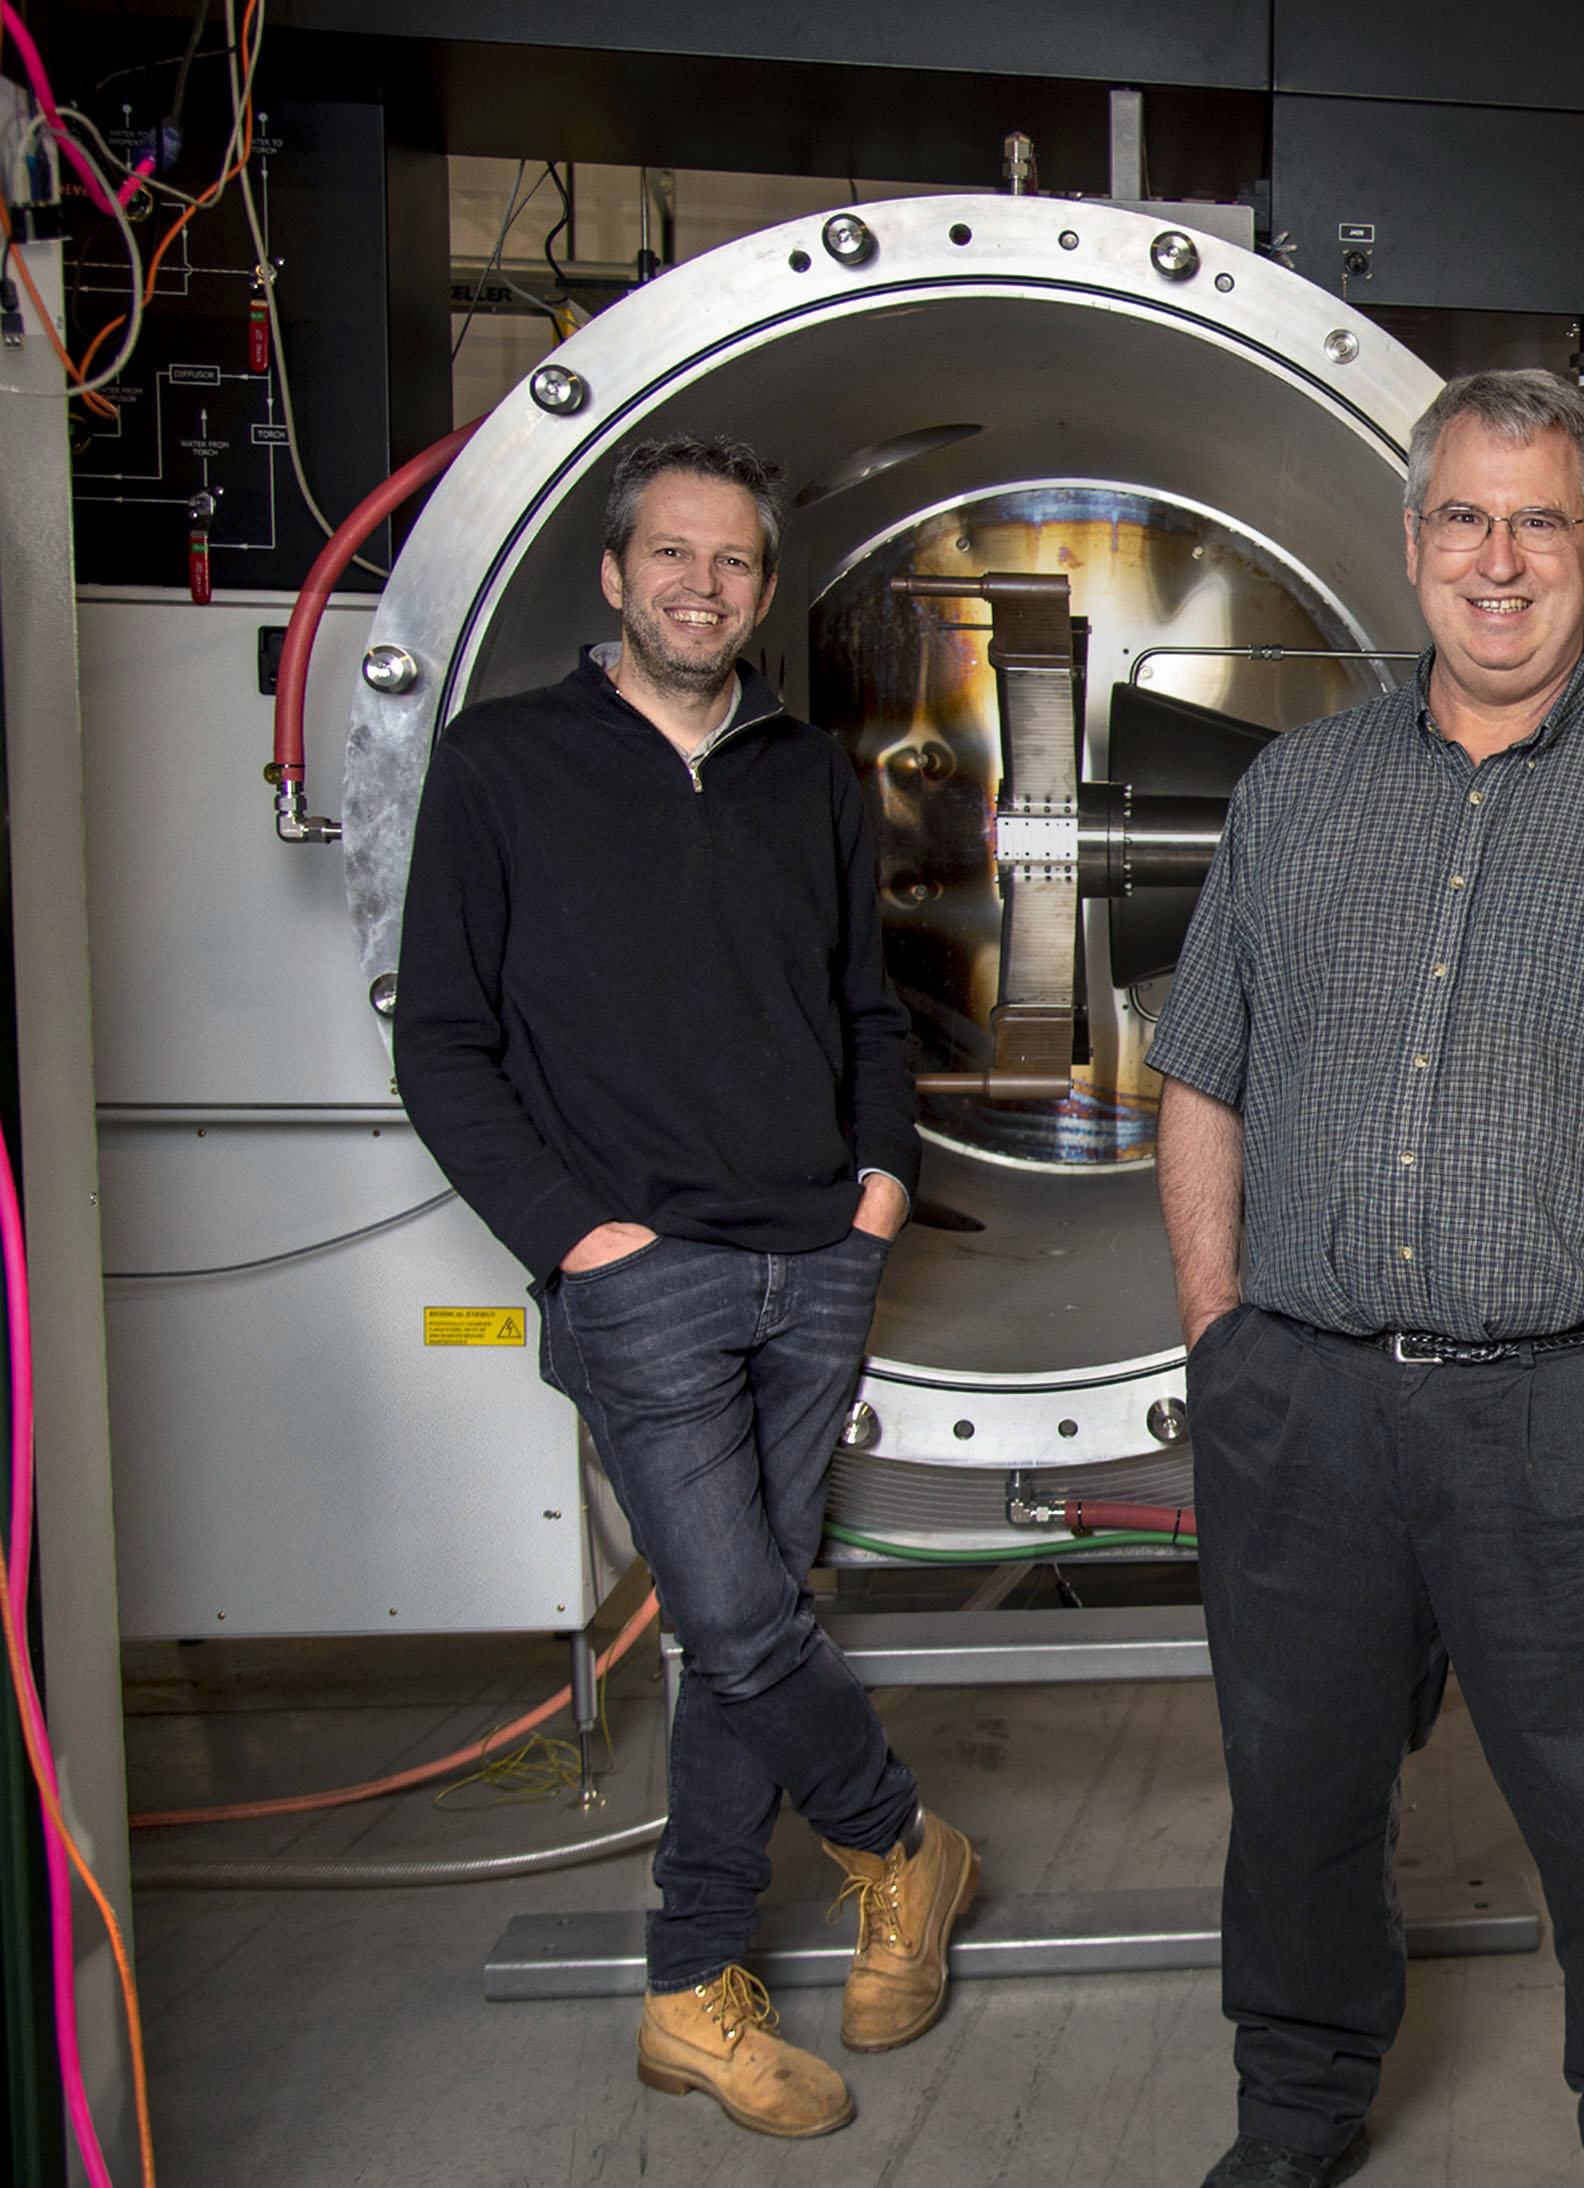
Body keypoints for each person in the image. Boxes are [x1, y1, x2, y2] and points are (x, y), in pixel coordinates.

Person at [1148, 368, 1584, 2188]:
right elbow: (1200, 1071)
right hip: (1308, 1403)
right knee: (1296, 1798)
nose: (1498, 559)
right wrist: (1222, 1338)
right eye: (1464, 517)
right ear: (1416, 544)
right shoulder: (1297, 793)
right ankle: (1291, 2111)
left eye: (1539, 521)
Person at [396, 432, 977, 2140]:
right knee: (736, 1616)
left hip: (816, 1259)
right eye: (672, 557)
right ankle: (899, 1843)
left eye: (731, 565)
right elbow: (443, 1043)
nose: (700, 588)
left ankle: (689, 1988)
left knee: (743, 1638)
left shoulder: (808, 777)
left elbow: (869, 1010)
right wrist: (578, 1236)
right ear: (614, 572)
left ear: (762, 592)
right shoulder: (504, 766)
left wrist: (879, 1192)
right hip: (639, 1271)